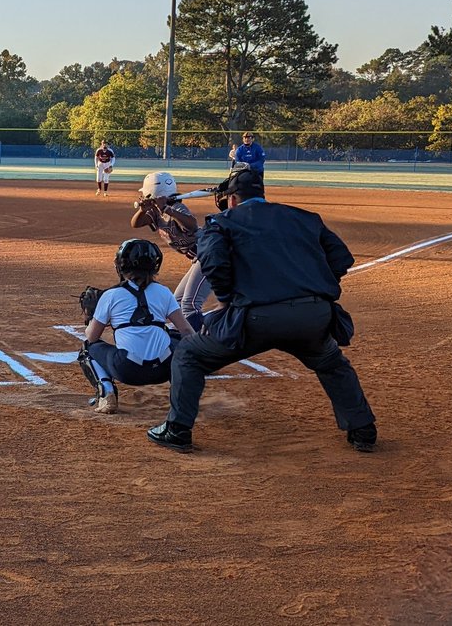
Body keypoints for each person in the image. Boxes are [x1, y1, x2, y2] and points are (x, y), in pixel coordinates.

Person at [147, 166, 377, 454]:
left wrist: (230, 299)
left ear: (232, 199)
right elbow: (342, 258)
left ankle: (178, 429)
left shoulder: (222, 223)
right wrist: (314, 287)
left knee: (189, 354)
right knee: (333, 364)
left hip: (253, 318)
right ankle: (363, 430)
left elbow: (213, 263)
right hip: (312, 316)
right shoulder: (304, 217)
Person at [79, 239, 196, 413]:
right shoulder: (163, 292)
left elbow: (92, 337)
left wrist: (90, 317)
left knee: (87, 349)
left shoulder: (111, 295)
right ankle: (182, 395)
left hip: (128, 369)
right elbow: (186, 330)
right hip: (164, 368)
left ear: (121, 265)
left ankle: (106, 393)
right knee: (176, 338)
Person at [130, 171, 208, 331]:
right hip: (198, 258)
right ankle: (189, 336)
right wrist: (143, 210)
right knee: (177, 303)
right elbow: (135, 224)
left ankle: (200, 343)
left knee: (190, 304)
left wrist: (167, 208)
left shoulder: (176, 207)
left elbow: (192, 225)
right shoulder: (155, 212)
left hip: (209, 254)